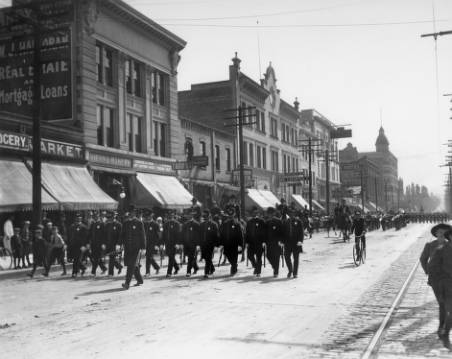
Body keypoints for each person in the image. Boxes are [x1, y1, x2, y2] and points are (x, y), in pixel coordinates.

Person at [420, 223, 452, 344]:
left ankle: (444, 328)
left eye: (444, 232)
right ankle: (441, 328)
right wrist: (428, 272)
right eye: (439, 232)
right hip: (436, 281)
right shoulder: (430, 246)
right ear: (436, 234)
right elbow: (423, 259)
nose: (442, 234)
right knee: (442, 303)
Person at [120, 207, 146, 290]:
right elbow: (122, 234)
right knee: (131, 264)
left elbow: (143, 235)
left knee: (131, 265)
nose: (132, 214)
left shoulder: (139, 222)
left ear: (135, 213)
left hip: (136, 248)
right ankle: (140, 279)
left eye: (133, 212)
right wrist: (119, 244)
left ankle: (127, 283)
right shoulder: (125, 223)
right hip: (127, 247)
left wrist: (143, 247)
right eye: (130, 212)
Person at [219, 206, 243, 276]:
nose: (230, 216)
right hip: (227, 243)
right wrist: (221, 243)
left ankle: (233, 268)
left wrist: (240, 245)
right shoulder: (225, 223)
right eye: (229, 215)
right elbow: (222, 233)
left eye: (231, 215)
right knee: (227, 254)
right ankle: (234, 264)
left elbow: (240, 235)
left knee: (234, 256)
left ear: (234, 214)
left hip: (234, 243)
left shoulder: (237, 223)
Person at [245, 207, 266, 277]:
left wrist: (264, 241)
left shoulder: (261, 221)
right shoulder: (249, 222)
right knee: (249, 255)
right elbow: (247, 233)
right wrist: (247, 242)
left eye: (256, 213)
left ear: (258, 213)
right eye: (254, 213)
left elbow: (264, 232)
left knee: (259, 257)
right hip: (251, 242)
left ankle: (258, 272)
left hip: (259, 242)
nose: (255, 214)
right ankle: (256, 266)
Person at [283, 211, 304, 278]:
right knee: (286, 257)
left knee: (296, 258)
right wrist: (282, 241)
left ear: (294, 214)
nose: (291, 214)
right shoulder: (286, 222)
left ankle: (295, 273)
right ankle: (290, 270)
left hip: (296, 243)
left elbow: (301, 232)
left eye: (292, 213)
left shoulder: (298, 221)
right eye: (290, 213)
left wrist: (300, 241)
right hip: (288, 243)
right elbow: (283, 233)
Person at [199, 210, 219, 278]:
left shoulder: (214, 224)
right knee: (206, 258)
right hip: (203, 244)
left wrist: (216, 245)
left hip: (210, 244)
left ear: (209, 216)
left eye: (206, 216)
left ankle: (206, 273)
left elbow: (216, 236)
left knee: (208, 258)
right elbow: (200, 235)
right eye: (204, 217)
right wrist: (199, 244)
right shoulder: (201, 225)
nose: (205, 218)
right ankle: (212, 268)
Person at [265, 207, 283, 277]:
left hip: (277, 242)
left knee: (276, 257)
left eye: (271, 213)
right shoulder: (267, 222)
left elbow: (281, 232)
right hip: (269, 243)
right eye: (269, 214)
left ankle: (276, 272)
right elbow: (265, 233)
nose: (270, 215)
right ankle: (274, 266)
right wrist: (264, 241)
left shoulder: (278, 221)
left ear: (273, 213)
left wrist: (281, 240)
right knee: (268, 256)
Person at [162, 211, 181, 277]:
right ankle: (176, 267)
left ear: (174, 215)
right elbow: (163, 234)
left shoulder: (177, 224)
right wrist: (162, 243)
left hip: (174, 243)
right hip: (167, 243)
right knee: (170, 256)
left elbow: (179, 235)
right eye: (169, 215)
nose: (170, 216)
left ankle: (169, 272)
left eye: (171, 215)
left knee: (171, 257)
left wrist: (178, 243)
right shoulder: (166, 224)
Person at [181, 212, 200, 277]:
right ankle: (196, 267)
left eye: (190, 215)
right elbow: (182, 234)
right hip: (186, 244)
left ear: (192, 216)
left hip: (193, 244)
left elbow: (198, 235)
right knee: (190, 257)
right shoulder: (185, 224)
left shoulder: (196, 224)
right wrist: (181, 243)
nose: (189, 216)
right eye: (188, 215)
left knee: (190, 258)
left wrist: (198, 244)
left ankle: (188, 271)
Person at [105, 212, 123, 276]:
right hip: (109, 244)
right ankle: (119, 266)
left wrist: (119, 244)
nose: (111, 219)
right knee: (111, 257)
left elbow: (120, 235)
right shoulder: (107, 225)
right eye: (109, 217)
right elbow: (105, 235)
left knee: (111, 258)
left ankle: (110, 273)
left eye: (112, 217)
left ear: (115, 217)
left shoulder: (119, 225)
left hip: (115, 245)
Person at [143, 211, 160, 277]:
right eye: (147, 216)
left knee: (148, 257)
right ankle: (157, 267)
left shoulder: (155, 224)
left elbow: (158, 236)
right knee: (149, 257)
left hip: (153, 243)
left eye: (149, 216)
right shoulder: (145, 224)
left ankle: (147, 272)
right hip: (146, 243)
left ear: (151, 216)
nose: (148, 217)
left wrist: (157, 244)